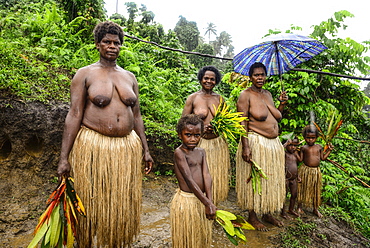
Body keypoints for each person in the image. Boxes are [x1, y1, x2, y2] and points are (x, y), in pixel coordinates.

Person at [56, 21, 153, 247]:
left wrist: (146, 150)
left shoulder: (129, 77)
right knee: (90, 200)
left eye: (116, 43)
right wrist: (64, 158)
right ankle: (86, 241)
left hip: (125, 148)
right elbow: (74, 114)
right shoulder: (85, 74)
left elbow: (137, 116)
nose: (112, 46)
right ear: (97, 44)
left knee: (119, 204)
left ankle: (114, 241)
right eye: (107, 42)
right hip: (93, 146)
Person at [236, 62, 288, 231]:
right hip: (255, 142)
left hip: (273, 145)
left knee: (270, 179)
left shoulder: (268, 94)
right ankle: (252, 216)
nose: (260, 78)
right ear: (250, 77)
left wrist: (281, 104)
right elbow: (241, 121)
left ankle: (266, 212)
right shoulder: (245, 95)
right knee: (254, 180)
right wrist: (246, 146)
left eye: (262, 74)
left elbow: (276, 117)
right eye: (256, 75)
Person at [182, 65, 230, 205]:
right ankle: (200, 205)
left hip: (217, 144)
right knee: (199, 177)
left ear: (216, 81)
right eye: (206, 78)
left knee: (216, 177)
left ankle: (214, 206)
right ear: (201, 79)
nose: (209, 81)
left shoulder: (220, 99)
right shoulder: (193, 98)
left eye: (212, 79)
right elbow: (183, 123)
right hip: (199, 144)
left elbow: (227, 122)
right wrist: (201, 128)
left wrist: (217, 127)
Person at [170, 114, 216, 248]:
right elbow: (189, 179)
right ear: (180, 135)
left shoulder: (201, 151)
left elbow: (206, 175)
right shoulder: (179, 153)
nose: (193, 139)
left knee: (199, 235)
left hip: (201, 199)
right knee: (186, 237)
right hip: (187, 200)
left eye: (197, 135)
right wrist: (207, 203)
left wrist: (210, 201)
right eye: (188, 135)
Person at [297, 125, 333, 218]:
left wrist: (329, 150)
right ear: (304, 138)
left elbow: (323, 158)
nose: (310, 140)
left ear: (316, 138)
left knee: (315, 190)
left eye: (313, 138)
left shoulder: (319, 147)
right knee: (302, 188)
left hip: (315, 172)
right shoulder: (303, 148)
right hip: (305, 170)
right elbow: (300, 159)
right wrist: (294, 151)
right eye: (308, 138)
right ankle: (299, 207)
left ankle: (315, 209)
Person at [281, 137, 302, 219]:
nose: (293, 147)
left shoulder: (295, 154)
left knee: (294, 194)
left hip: (294, 179)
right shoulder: (284, 153)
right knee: (284, 195)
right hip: (286, 178)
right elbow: (279, 151)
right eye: (290, 145)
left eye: (295, 145)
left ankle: (291, 209)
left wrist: (298, 176)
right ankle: (282, 212)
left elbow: (296, 166)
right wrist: (285, 144)